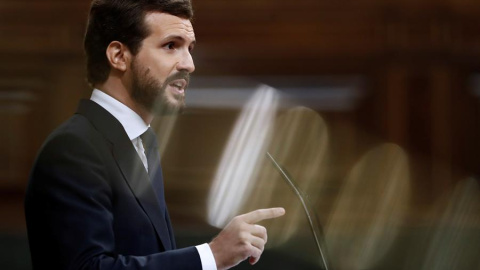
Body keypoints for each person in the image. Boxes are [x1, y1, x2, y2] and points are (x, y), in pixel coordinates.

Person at [24, 0, 285, 270]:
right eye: (171, 46)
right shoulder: (73, 148)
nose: (189, 64)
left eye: (190, 48)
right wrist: (212, 256)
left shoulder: (143, 142)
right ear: (118, 56)